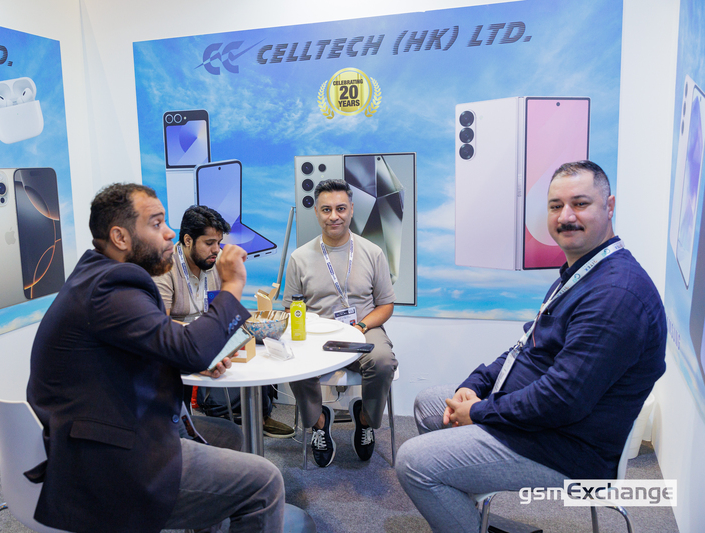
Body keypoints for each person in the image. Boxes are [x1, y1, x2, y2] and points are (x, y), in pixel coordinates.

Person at [395, 161, 666, 533]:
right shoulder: (582, 272)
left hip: (567, 447)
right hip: (539, 423)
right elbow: (526, 347)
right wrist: (474, 384)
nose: (565, 216)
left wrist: (481, 412)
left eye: (580, 203)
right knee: (431, 403)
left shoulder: (615, 295)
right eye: (556, 206)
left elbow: (562, 400)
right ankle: (467, 516)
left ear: (609, 206)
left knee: (414, 463)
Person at [26, 183, 284, 533]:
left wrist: (193, 354)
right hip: (107, 459)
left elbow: (162, 341)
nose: (170, 233)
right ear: (120, 236)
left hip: (102, 428)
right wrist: (233, 286)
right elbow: (191, 349)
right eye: (157, 223)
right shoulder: (112, 287)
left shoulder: (99, 275)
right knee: (265, 481)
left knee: (227, 436)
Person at [283, 178, 398, 467]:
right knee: (294, 361)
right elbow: (290, 309)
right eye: (326, 209)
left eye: (340, 208)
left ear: (351, 210)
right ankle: (320, 422)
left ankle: (364, 419)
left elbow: (386, 305)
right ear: (316, 212)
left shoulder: (372, 252)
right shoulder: (299, 258)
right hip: (318, 335)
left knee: (383, 361)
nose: (334, 216)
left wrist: (361, 327)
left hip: (364, 329)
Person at [153, 205, 294, 438]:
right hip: (181, 340)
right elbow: (161, 325)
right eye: (209, 243)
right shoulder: (164, 267)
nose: (216, 250)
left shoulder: (216, 261)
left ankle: (259, 415)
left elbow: (227, 309)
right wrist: (200, 333)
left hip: (213, 332)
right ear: (187, 240)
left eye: (219, 243)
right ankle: (188, 429)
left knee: (256, 348)